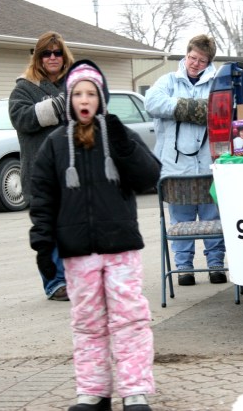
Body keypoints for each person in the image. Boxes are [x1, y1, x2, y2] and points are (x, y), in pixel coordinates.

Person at [29, 59, 161, 411]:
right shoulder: (55, 145)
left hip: (121, 248)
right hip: (77, 252)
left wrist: (122, 142)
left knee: (130, 320)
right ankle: (94, 391)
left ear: (101, 98)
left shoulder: (118, 135)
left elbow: (149, 176)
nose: (84, 100)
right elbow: (42, 197)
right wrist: (43, 243)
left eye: (91, 93)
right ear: (69, 99)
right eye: (78, 94)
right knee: (87, 323)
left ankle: (134, 391)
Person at [144, 34, 227, 286]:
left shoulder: (217, 81)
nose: (195, 64)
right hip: (174, 168)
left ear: (208, 62)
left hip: (208, 165)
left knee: (213, 218)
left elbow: (223, 108)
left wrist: (189, 110)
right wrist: (193, 109)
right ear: (186, 55)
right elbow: (152, 103)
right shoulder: (168, 80)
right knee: (181, 220)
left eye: (201, 61)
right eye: (192, 57)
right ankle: (184, 269)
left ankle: (215, 265)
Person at [9, 31, 74, 301]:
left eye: (57, 52)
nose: (52, 57)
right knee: (48, 232)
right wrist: (60, 105)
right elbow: (22, 119)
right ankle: (55, 283)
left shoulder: (76, 84)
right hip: (40, 174)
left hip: (74, 172)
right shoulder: (24, 88)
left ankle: (77, 281)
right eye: (46, 53)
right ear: (37, 57)